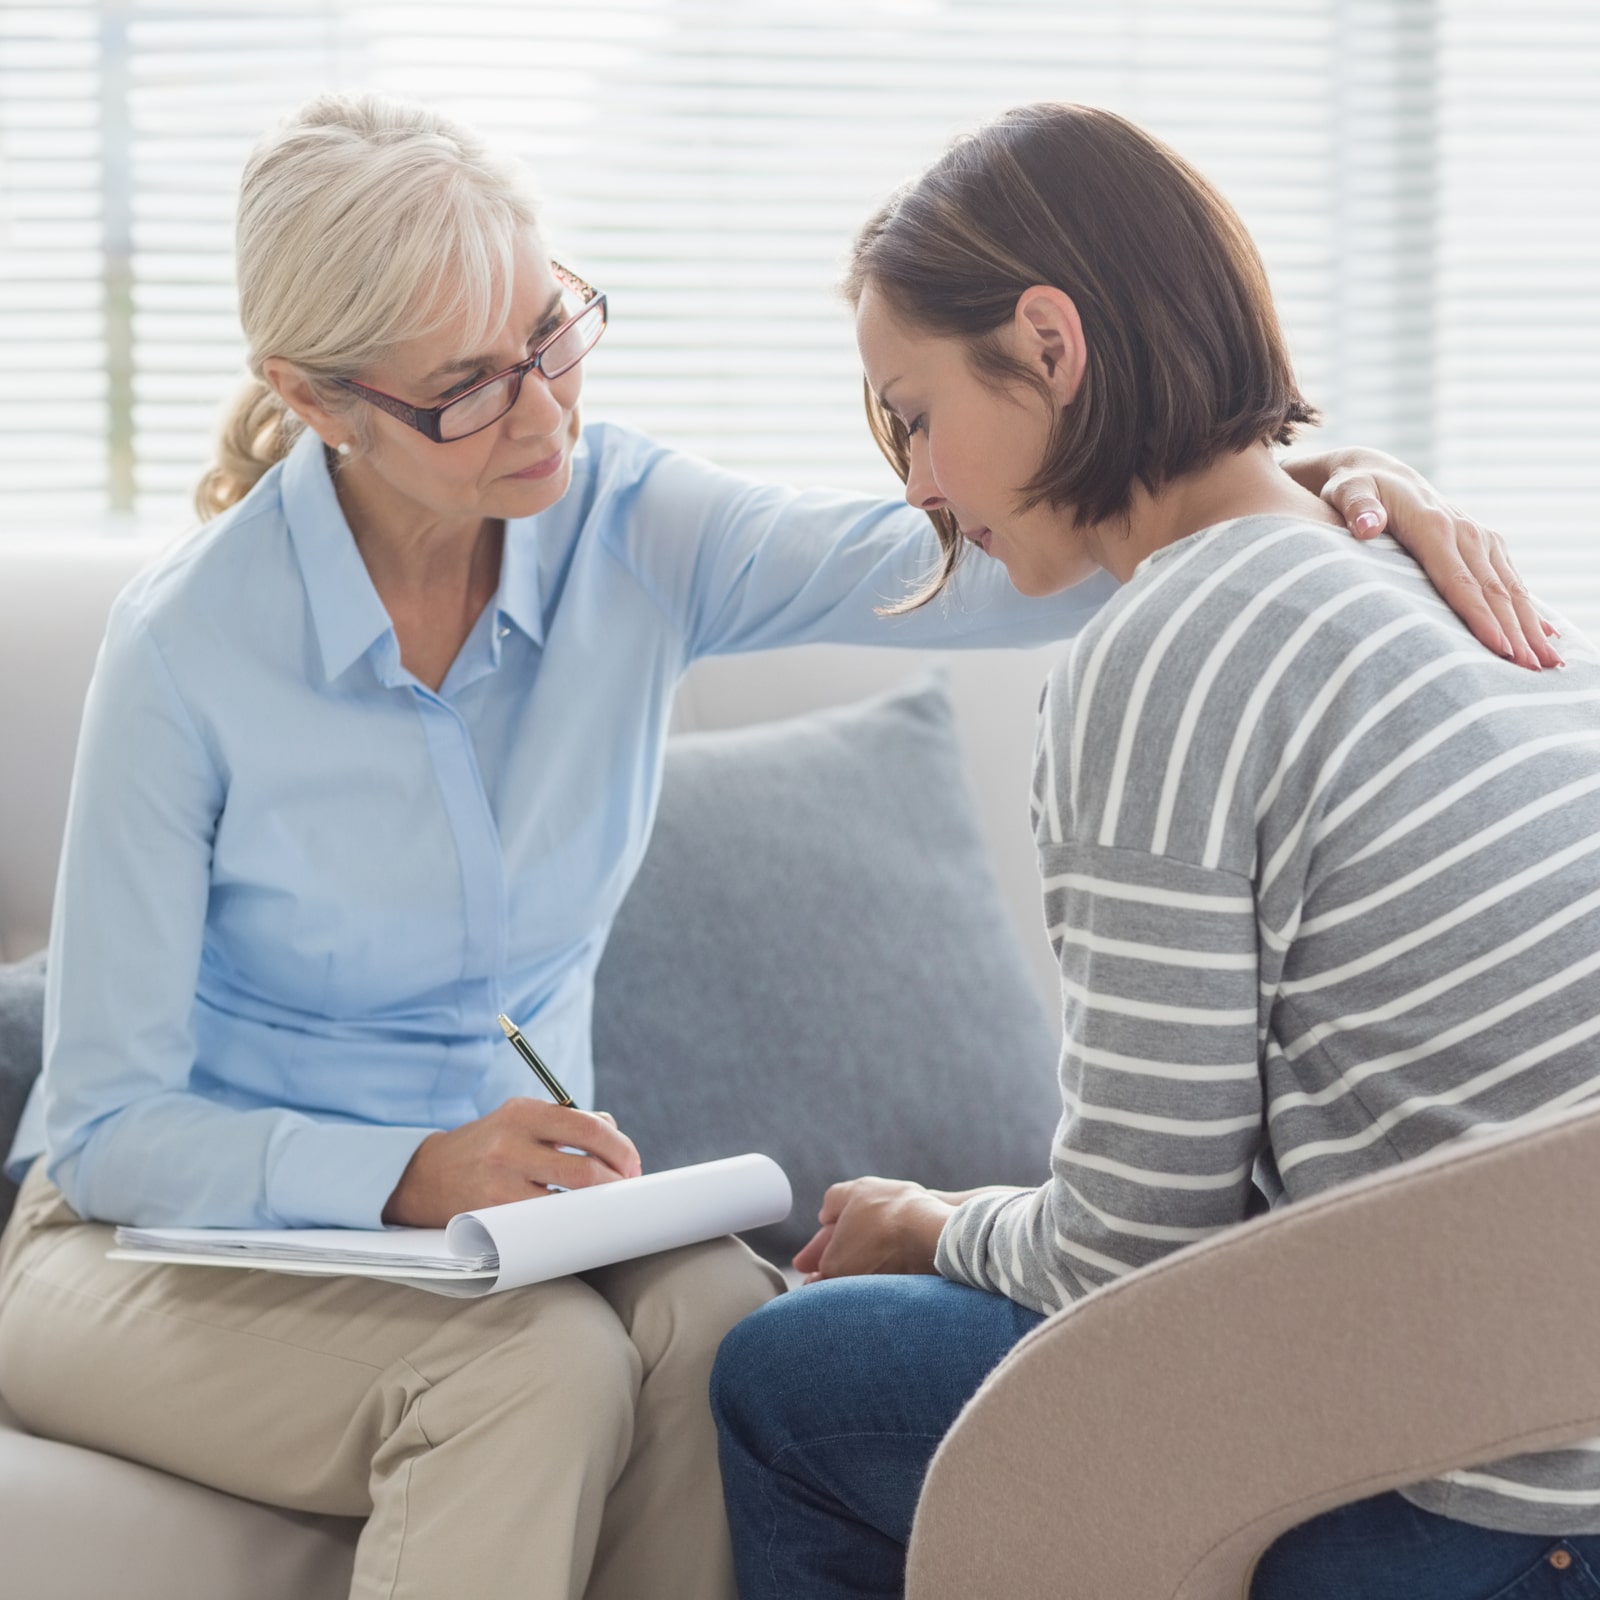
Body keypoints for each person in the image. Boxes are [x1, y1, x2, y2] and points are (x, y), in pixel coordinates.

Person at [0, 94, 1547, 1600]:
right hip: (154, 1246)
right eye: (470, 387)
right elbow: (108, 1126)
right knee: (532, 1376)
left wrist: (1334, 487)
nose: (546, 410)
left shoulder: (621, 527)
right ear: (321, 398)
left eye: (552, 334)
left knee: (719, 1327)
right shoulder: (190, 649)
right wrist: (402, 1171)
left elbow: (1021, 529)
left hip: (492, 1235)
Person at [709, 103, 1600, 1600]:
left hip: (1475, 1498)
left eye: (912, 411)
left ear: (1050, 344)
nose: (917, 485)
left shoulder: (1163, 657)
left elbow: (1125, 1259)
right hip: (1558, 1404)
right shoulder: (1416, 565)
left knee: (786, 1379)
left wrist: (939, 1225)